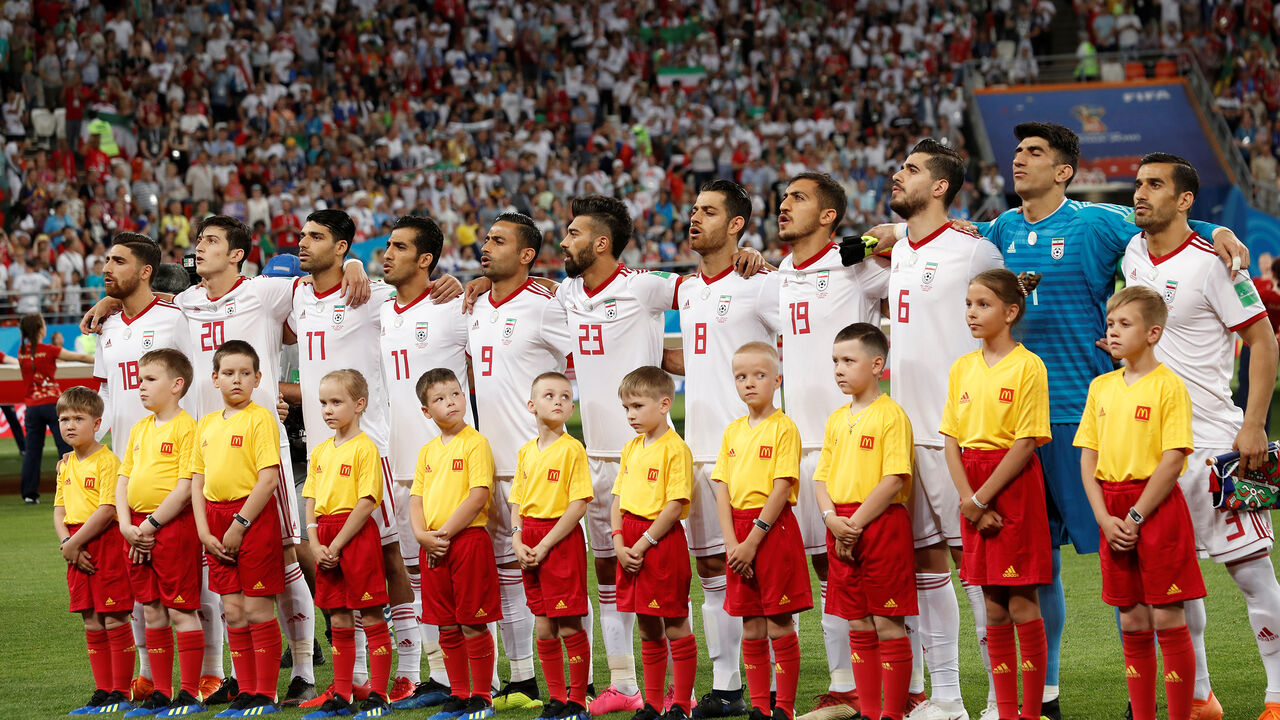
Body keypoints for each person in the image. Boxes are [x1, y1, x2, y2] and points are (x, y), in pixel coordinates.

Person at [957, 123, 1245, 720]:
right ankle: (1049, 693)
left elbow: (1165, 223)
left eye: (1035, 153)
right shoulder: (1002, 229)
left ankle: (1183, 697)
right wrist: (882, 235)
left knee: (1126, 558)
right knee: (1033, 568)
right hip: (1017, 425)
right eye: (1016, 151)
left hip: (1083, 417)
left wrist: (1220, 230)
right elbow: (947, 235)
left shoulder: (1096, 221)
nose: (1019, 160)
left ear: (1064, 170)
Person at [1120, 154, 1280, 720]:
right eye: (1138, 184)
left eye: (1154, 185)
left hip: (1216, 445)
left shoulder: (1217, 262)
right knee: (1171, 583)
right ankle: (1199, 696)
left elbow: (1263, 343)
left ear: (1185, 199)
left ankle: (1278, 696)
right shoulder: (1133, 251)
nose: (1140, 194)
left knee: (1252, 572)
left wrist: (1253, 424)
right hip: (1152, 450)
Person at [885, 140, 1005, 720]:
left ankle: (1001, 701)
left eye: (909, 169)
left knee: (974, 571)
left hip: (956, 435)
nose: (896, 174)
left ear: (939, 187)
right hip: (902, 435)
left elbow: (1008, 319)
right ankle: (948, 698)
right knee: (925, 567)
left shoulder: (974, 249)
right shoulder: (897, 249)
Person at [287, 209, 416, 707]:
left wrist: (361, 266)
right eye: (302, 235)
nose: (303, 243)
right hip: (323, 454)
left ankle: (407, 670)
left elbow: (413, 289)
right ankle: (352, 679)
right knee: (332, 565)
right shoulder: (298, 295)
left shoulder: (372, 294)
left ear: (340, 247)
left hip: (371, 449)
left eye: (316, 237)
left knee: (389, 558)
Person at [775, 173, 887, 720]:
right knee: (826, 571)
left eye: (798, 198)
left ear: (828, 216)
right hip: (801, 446)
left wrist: (891, 240)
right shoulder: (779, 272)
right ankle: (845, 686)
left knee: (870, 568)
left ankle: (904, 682)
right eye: (785, 196)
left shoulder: (856, 268)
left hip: (854, 442)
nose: (784, 204)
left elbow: (910, 281)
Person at [1074, 286, 1203, 720]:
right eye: (1110, 323)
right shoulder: (1101, 387)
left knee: (1167, 618)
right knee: (1131, 621)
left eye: (1124, 324)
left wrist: (1133, 515)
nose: (1112, 331)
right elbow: (1087, 457)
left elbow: (1172, 460)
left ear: (1153, 333)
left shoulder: (1169, 387)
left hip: (1155, 508)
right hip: (1111, 510)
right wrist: (1104, 519)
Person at [668, 179, 771, 717]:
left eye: (708, 212)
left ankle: (774, 680)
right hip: (698, 449)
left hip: (752, 449)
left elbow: (795, 347)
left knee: (765, 571)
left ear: (736, 225)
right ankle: (729, 685)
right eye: (693, 210)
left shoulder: (761, 283)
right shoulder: (684, 290)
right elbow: (695, 357)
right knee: (711, 569)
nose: (694, 218)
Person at [89, 233, 200, 699]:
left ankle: (208, 673)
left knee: (192, 583)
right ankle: (147, 675)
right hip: (128, 468)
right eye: (106, 260)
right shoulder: (109, 325)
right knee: (141, 585)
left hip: (179, 462)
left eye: (118, 261)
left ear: (146, 270)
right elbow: (103, 391)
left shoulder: (179, 317)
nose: (107, 268)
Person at [939, 269, 1052, 720]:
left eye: (983, 304)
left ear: (1010, 312)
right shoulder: (962, 367)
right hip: (972, 484)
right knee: (992, 605)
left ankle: (1030, 713)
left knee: (1022, 601)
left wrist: (981, 500)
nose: (971, 312)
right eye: (968, 303)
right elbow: (951, 438)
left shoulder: (1028, 366)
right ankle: (1005, 712)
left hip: (1013, 484)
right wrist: (968, 498)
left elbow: (1025, 442)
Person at [378, 214, 469, 709]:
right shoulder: (378, 306)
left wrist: (470, 284)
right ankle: (436, 677)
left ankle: (488, 682)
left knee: (467, 573)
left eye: (398, 247)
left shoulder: (456, 305)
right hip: (401, 463)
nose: (386, 254)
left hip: (453, 464)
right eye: (386, 246)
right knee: (418, 576)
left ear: (426, 259)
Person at [813, 323, 916, 720]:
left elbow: (894, 479)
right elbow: (820, 477)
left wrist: (850, 524)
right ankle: (870, 713)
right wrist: (831, 519)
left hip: (879, 524)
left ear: (877, 365)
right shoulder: (837, 418)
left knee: (888, 621)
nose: (839, 369)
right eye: (835, 361)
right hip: (839, 524)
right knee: (857, 622)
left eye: (848, 361)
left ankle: (893, 713)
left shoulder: (891, 415)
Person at [713, 342, 812, 720]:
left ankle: (783, 707)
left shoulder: (784, 427)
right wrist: (732, 545)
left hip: (770, 532)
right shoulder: (732, 431)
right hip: (738, 537)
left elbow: (782, 487)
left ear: (777, 380)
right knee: (750, 622)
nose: (749, 383)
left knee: (778, 620)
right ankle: (758, 707)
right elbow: (721, 488)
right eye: (741, 376)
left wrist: (752, 541)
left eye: (759, 375)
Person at [190, 340, 286, 717]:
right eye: (228, 373)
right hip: (213, 521)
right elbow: (197, 479)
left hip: (251, 518)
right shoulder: (208, 424)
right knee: (233, 611)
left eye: (245, 373)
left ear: (257, 378)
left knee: (259, 610)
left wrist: (240, 524)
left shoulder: (261, 418)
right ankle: (245, 691)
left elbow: (268, 479)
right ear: (214, 379)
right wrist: (203, 530)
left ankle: (266, 694)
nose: (237, 380)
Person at [113, 349, 205, 718]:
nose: (141, 386)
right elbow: (122, 479)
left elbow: (185, 487)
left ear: (177, 385)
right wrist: (125, 526)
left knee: (181, 609)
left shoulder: (188, 427)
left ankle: (190, 693)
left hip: (171, 529)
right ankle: (161, 693)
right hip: (135, 528)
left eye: (150, 379)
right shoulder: (139, 428)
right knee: (151, 610)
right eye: (139, 379)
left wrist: (149, 526)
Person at [300, 369, 393, 720]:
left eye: (336, 402)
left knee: (369, 614)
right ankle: (341, 694)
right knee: (338, 616)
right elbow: (310, 497)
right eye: (323, 402)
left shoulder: (366, 448)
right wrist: (314, 541)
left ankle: (379, 696)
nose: (327, 409)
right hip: (324, 537)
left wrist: (336, 544)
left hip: (353, 537)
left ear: (359, 405)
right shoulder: (321, 450)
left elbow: (367, 501)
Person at [410, 368, 501, 720]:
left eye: (455, 394)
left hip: (465, 541)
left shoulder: (475, 442)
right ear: (425, 411)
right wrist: (422, 535)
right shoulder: (427, 451)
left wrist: (442, 534)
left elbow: (479, 495)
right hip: (433, 545)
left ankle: (481, 695)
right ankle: (458, 693)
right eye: (439, 399)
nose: (450, 402)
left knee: (472, 621)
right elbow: (416, 498)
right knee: (445, 623)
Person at [611, 366, 697, 720]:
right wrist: (618, 541)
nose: (630, 415)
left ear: (664, 404)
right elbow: (617, 498)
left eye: (637, 406)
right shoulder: (631, 447)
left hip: (659, 542)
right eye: (626, 408)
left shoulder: (675, 449)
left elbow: (675, 504)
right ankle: (652, 703)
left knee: (674, 620)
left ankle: (680, 705)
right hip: (629, 542)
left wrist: (644, 542)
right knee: (646, 623)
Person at [510, 372, 593, 720]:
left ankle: (577, 700)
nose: (557, 401)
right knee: (543, 623)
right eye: (548, 395)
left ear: (571, 408)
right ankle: (556, 699)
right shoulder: (527, 451)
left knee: (569, 622)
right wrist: (516, 538)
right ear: (531, 405)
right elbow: (516, 500)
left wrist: (543, 544)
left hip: (558, 541)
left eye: (564, 396)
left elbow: (578, 505)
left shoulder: (572, 449)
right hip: (529, 539)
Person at [54, 386, 134, 715]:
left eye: (78, 418)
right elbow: (58, 509)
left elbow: (105, 510)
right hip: (74, 543)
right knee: (90, 618)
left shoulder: (107, 461)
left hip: (104, 541)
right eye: (63, 419)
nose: (69, 425)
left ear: (97, 423)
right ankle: (102, 689)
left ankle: (121, 690)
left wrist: (73, 544)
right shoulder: (66, 464)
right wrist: (66, 542)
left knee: (114, 616)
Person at [19, 312, 94, 503]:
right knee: (65, 447)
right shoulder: (50, 350)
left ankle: (29, 494)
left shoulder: (22, 352)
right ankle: (74, 487)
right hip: (53, 405)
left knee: (32, 451)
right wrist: (102, 359)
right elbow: (80, 357)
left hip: (32, 408)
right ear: (40, 329)